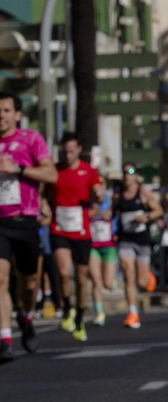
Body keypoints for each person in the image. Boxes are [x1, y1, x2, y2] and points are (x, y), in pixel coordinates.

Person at [0, 93, 57, 364]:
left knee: (29, 283)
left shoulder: (31, 139)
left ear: (17, 114)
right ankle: (5, 340)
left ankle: (26, 317)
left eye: (6, 110)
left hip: (25, 219)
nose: (1, 115)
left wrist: (18, 169)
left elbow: (51, 174)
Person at [48, 134, 104, 340]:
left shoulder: (88, 171)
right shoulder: (55, 170)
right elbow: (44, 194)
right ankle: (66, 308)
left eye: (72, 150)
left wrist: (98, 195)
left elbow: (99, 197)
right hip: (59, 228)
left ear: (79, 149)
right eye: (65, 151)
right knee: (63, 272)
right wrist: (44, 208)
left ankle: (80, 316)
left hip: (81, 230)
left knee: (81, 277)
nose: (68, 154)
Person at [113, 166, 162, 328]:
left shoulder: (143, 193)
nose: (127, 176)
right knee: (128, 273)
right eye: (125, 173)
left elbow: (158, 210)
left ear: (137, 176)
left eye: (131, 172)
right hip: (125, 239)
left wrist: (146, 217)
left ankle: (149, 277)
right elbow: (113, 213)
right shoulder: (118, 195)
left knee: (142, 281)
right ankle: (133, 313)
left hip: (142, 240)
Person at [88, 185, 117, 326]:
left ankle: (112, 281)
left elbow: (118, 218)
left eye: (100, 188)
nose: (97, 191)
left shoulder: (111, 202)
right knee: (96, 281)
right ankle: (99, 313)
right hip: (93, 246)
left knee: (107, 283)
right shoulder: (88, 203)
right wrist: (93, 214)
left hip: (109, 245)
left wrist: (112, 215)